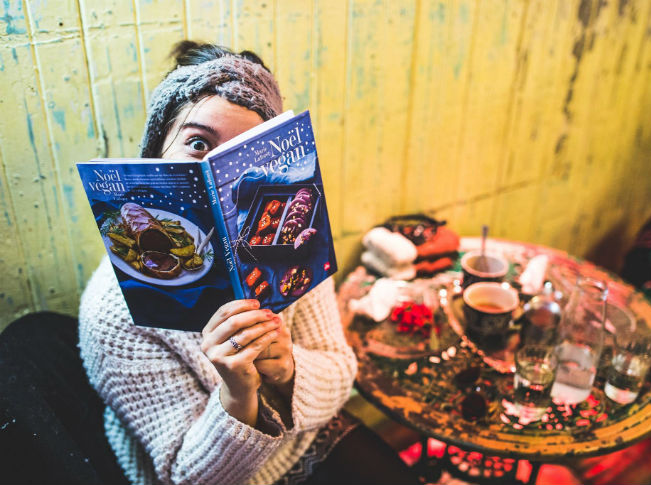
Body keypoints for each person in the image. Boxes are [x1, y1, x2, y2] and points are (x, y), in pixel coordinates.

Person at [79, 41, 418, 485]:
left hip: (303, 436)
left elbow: (339, 373)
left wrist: (288, 370)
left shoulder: (294, 235)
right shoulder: (112, 312)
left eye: (244, 155)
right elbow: (188, 476)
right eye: (197, 143)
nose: (218, 174)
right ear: (156, 153)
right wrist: (238, 396)